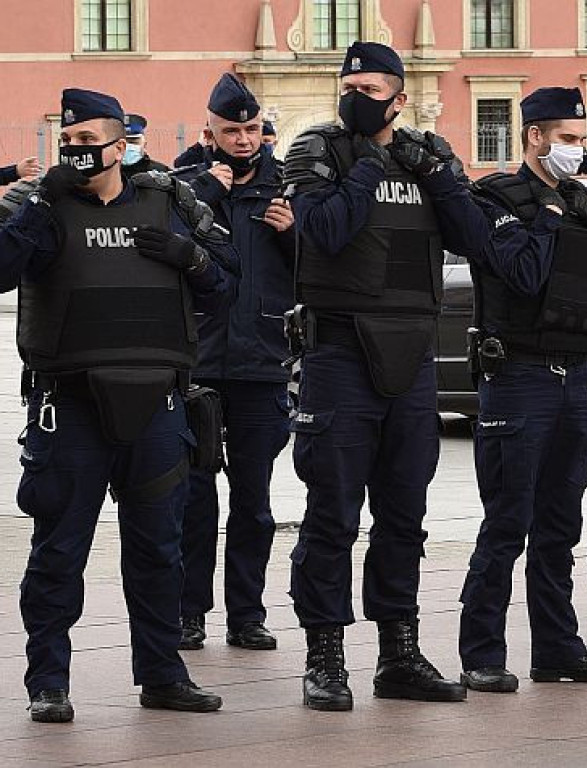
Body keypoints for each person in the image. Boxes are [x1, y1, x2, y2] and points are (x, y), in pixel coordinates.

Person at [0, 88, 238, 722]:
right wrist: (41, 200)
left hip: (158, 406)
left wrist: (190, 257)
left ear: (120, 143)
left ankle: (162, 674)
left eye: (89, 142)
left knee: (159, 548)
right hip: (71, 406)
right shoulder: (43, 208)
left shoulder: (168, 202)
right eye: (68, 142)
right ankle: (48, 682)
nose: (78, 153)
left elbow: (226, 284)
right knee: (59, 550)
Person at [282, 41, 491, 711]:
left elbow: (475, 240)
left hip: (412, 354)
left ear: (400, 96)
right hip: (340, 354)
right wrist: (369, 165)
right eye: (351, 84)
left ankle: (398, 653)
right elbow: (325, 233)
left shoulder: (428, 156)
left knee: (404, 514)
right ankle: (325, 655)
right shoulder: (317, 151)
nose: (360, 94)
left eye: (374, 86)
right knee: (332, 515)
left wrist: (441, 176)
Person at [457, 86, 587, 694]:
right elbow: (523, 274)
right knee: (507, 523)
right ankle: (481, 652)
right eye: (568, 140)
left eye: (581, 140)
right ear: (534, 137)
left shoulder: (582, 202)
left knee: (560, 524)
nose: (578, 151)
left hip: (573, 375)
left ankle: (557, 647)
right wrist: (554, 217)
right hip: (518, 378)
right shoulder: (496, 198)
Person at [174, 74, 295, 652]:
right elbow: (162, 251)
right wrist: (207, 195)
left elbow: (321, 267)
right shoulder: (183, 188)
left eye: (251, 130)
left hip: (261, 366)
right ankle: (188, 612)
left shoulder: (288, 190)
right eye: (231, 131)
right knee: (194, 501)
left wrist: (296, 237)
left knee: (255, 504)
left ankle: (246, 614)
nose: (243, 141)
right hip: (198, 365)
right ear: (209, 133)